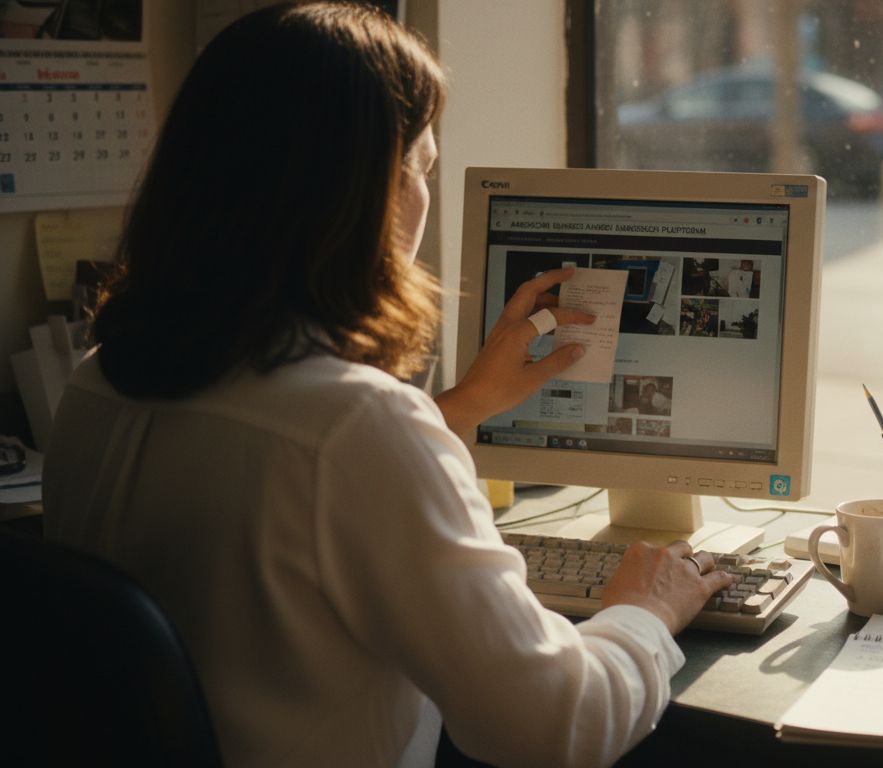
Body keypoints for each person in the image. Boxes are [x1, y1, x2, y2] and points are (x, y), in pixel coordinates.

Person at [40, 4, 732, 767]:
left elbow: (290, 471)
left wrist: (461, 408)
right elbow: (557, 726)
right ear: (369, 196)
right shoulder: (357, 429)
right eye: (422, 169)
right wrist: (643, 613)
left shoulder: (96, 384)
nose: (424, 195)